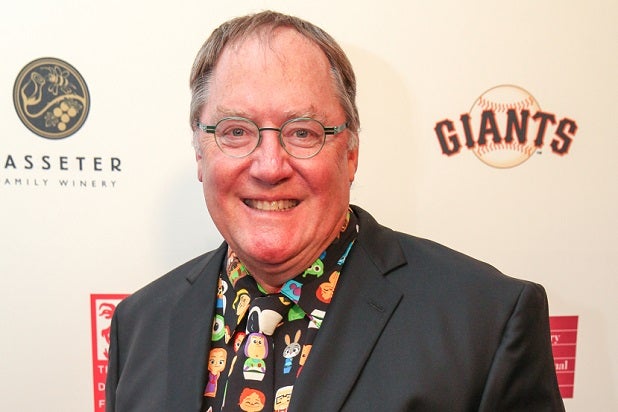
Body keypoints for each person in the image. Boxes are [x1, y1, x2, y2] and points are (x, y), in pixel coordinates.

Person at [105, 10, 565, 412]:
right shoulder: (139, 325)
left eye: (303, 132)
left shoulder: (486, 321)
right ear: (200, 154)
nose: (269, 166)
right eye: (236, 131)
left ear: (350, 154)